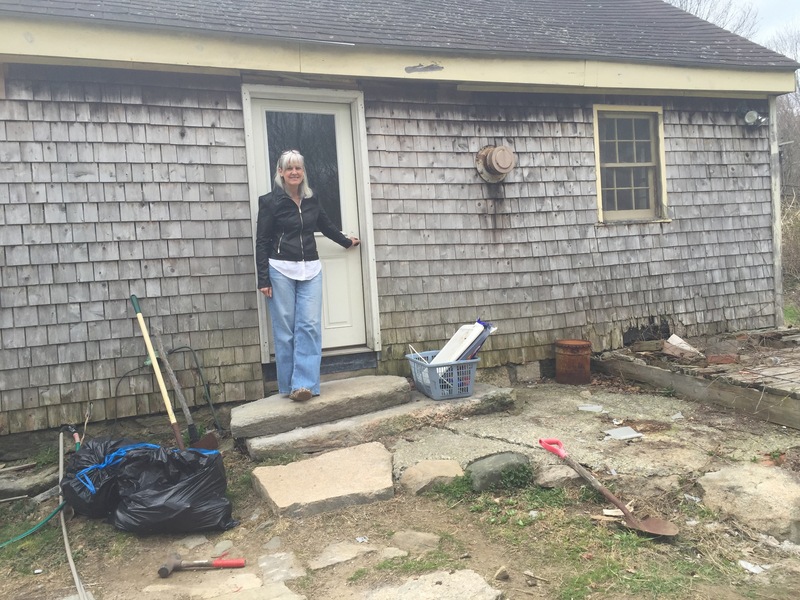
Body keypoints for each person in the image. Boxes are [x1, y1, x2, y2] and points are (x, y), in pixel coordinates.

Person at [256, 150, 360, 402]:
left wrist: (346, 241)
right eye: (289, 168)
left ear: (303, 172)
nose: (294, 172)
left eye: (298, 168)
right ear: (280, 172)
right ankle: (288, 386)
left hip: (311, 269)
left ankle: (304, 385)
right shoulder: (270, 202)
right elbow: (262, 241)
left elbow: (324, 224)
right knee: (285, 331)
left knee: (309, 326)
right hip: (280, 269)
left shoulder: (312, 199)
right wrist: (263, 279)